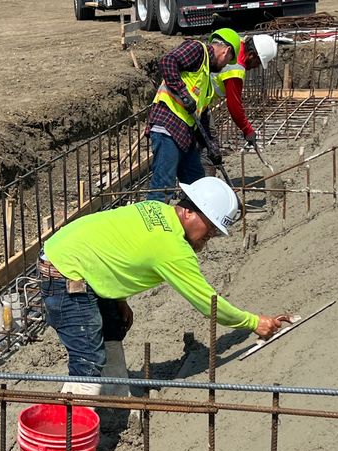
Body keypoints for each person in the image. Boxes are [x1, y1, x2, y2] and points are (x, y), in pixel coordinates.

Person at [39, 176, 291, 396]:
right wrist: (253, 322)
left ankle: (115, 403)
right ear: (189, 212)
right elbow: (208, 304)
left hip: (70, 255)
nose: (211, 235)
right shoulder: (173, 248)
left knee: (112, 328)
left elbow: (115, 247)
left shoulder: (156, 209)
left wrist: (119, 299)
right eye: (211, 226)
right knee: (88, 361)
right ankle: (67, 428)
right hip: (66, 274)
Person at [146, 29, 279, 201]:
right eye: (227, 60)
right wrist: (183, 94)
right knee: (163, 187)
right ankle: (154, 217)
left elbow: (202, 113)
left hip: (184, 133)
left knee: (197, 185)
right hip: (168, 126)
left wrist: (210, 146)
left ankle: (196, 214)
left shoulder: (207, 77)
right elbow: (167, 61)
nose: (225, 66)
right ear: (226, 51)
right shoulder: (198, 49)